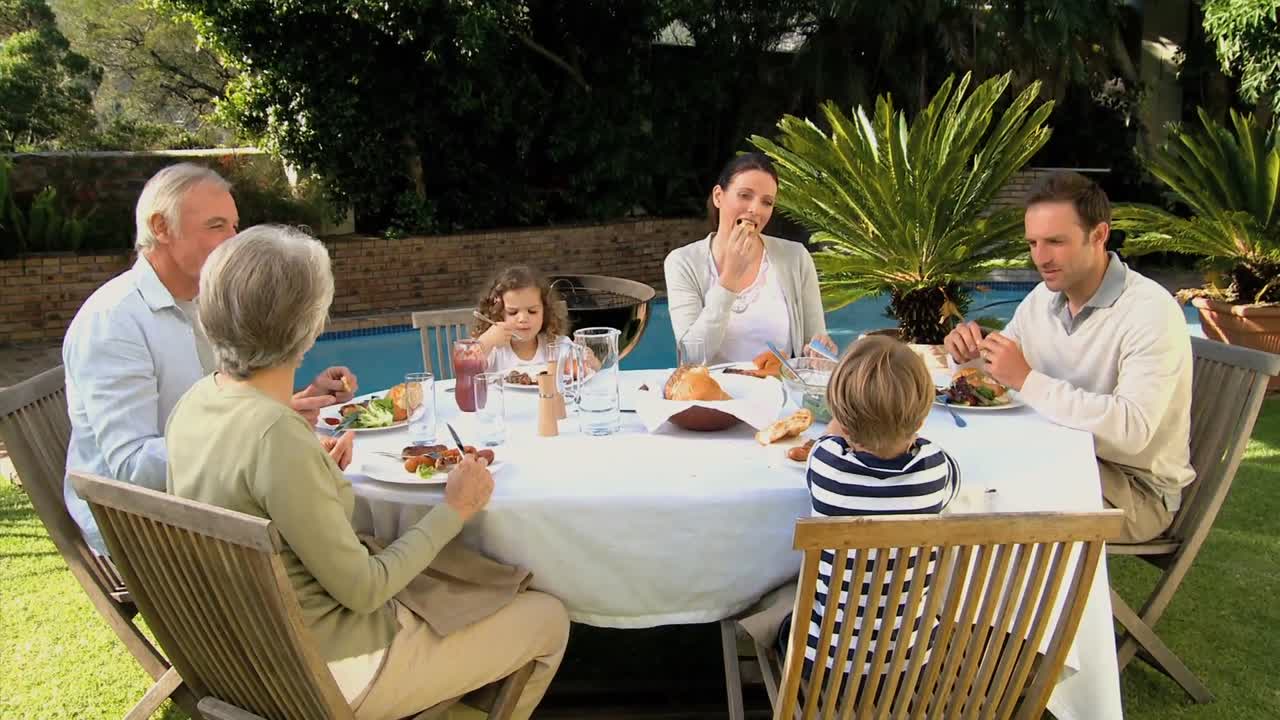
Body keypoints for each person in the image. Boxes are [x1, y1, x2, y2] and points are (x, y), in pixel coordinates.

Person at [168, 225, 570, 720]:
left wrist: (312, 470)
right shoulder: (277, 438)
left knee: (477, 585)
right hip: (332, 671)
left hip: (247, 655)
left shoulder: (196, 404)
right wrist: (455, 508)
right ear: (309, 324)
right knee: (547, 618)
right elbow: (366, 589)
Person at [62, 162, 356, 555]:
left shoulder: (207, 301)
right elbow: (131, 470)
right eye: (216, 226)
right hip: (145, 533)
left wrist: (287, 403)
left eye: (235, 227)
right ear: (161, 227)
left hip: (210, 504)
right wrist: (251, 437)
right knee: (343, 544)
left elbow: (227, 407)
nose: (234, 242)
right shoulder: (114, 323)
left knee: (335, 518)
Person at [943, 170, 1194, 543]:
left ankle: (1032, 600)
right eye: (1032, 243)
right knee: (956, 479)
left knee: (986, 502)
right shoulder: (1043, 300)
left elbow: (1132, 431)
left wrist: (1028, 380)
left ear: (1099, 235)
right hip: (1058, 457)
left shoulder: (1149, 311)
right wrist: (967, 359)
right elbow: (999, 376)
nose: (1040, 258)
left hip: (1133, 490)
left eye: (1056, 242)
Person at [772, 335, 959, 690]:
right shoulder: (935, 468)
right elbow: (949, 472)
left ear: (841, 417)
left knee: (779, 622)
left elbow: (825, 441)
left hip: (825, 665)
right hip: (910, 666)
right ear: (921, 419)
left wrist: (842, 421)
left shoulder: (826, 465)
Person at [664, 152, 835, 365]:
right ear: (718, 196)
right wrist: (730, 280)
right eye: (745, 195)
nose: (755, 209)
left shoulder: (796, 258)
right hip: (713, 395)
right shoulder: (682, 262)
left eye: (767, 202)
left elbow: (813, 344)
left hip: (780, 393)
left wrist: (819, 350)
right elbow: (691, 358)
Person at [472, 265, 571, 372]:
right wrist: (487, 341)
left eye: (532, 311)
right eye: (513, 312)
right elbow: (468, 370)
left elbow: (582, 369)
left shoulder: (557, 345)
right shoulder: (494, 350)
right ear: (500, 313)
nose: (523, 319)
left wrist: (589, 363)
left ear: (545, 312)